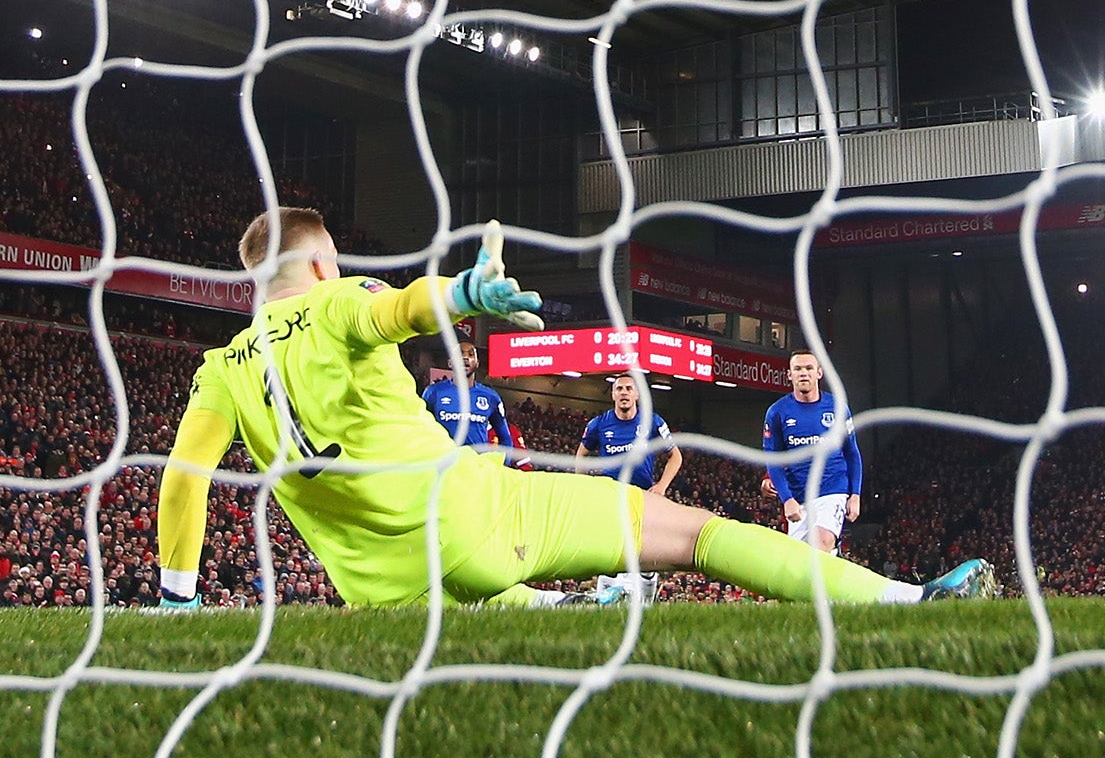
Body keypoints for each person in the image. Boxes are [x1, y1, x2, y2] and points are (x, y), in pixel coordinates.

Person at [155, 208, 994, 609]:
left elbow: (182, 485)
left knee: (524, 608)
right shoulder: (344, 301)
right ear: (324, 266)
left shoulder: (219, 370)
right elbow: (399, 307)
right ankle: (908, 602)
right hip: (480, 519)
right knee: (700, 535)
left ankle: (557, 606)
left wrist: (178, 600)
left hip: (389, 591)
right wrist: (464, 292)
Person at [578, 372, 686, 603]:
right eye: (619, 389)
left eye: (629, 388)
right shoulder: (599, 424)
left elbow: (675, 456)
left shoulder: (653, 422)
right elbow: (581, 454)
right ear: (613, 395)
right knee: (610, 553)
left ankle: (645, 599)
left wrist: (662, 486)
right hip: (612, 497)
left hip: (643, 497)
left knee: (645, 553)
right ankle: (604, 601)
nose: (624, 393)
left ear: (637, 394)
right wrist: (584, 486)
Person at [763, 350, 863, 554]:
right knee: (801, 560)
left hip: (833, 488)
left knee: (822, 542)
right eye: (797, 369)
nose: (803, 373)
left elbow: (852, 453)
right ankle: (834, 559)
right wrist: (787, 499)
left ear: (819, 373)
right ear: (789, 375)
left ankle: (831, 549)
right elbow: (773, 460)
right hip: (799, 496)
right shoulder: (777, 412)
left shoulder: (836, 408)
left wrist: (855, 494)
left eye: (809, 368)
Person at [422, 340, 516, 456]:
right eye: (460, 354)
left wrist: (502, 465)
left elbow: (506, 439)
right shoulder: (433, 392)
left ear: (477, 363)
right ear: (450, 363)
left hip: (475, 468)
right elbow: (421, 430)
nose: (465, 357)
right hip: (444, 466)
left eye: (471, 354)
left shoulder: (491, 397)